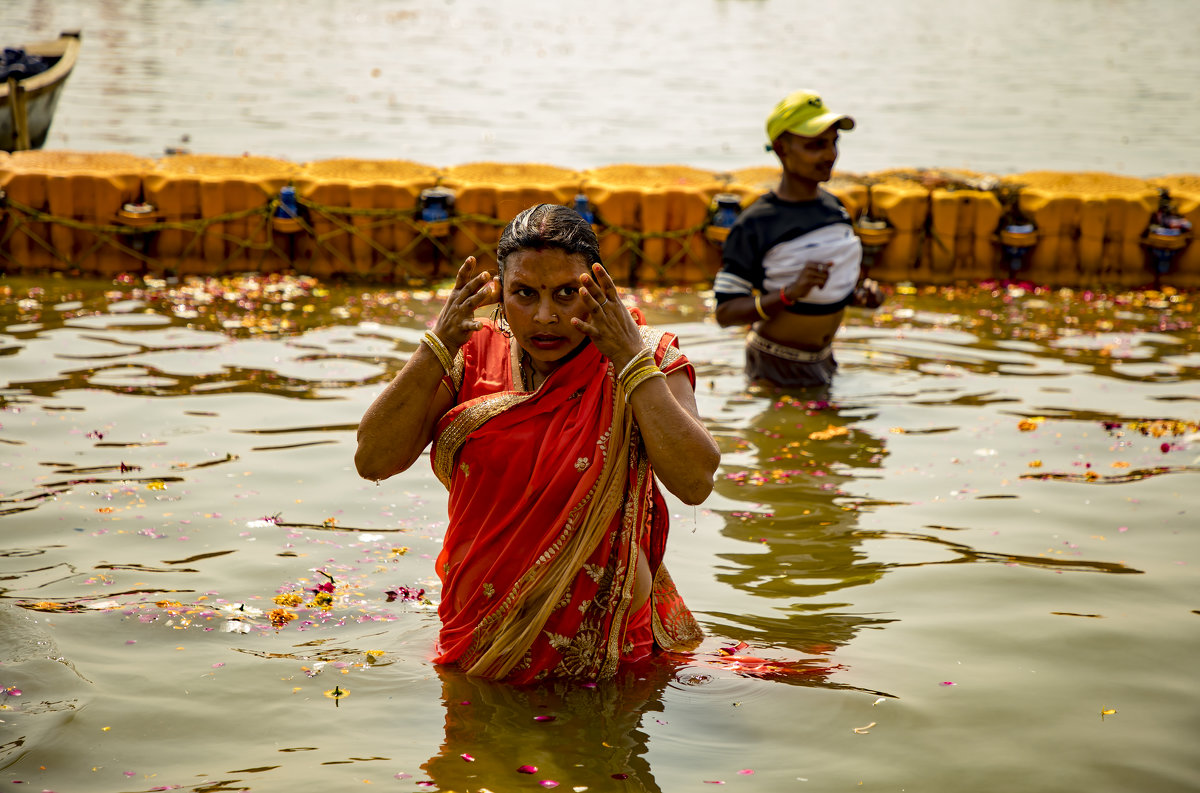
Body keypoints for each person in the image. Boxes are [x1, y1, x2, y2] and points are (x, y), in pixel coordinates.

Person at [355, 203, 719, 684]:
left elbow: (695, 482)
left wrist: (630, 360)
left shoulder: (644, 355)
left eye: (567, 293)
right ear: (500, 297)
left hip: (608, 652)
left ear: (597, 289)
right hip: (479, 641)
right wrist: (435, 345)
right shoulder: (468, 353)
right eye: (525, 294)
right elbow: (373, 459)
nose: (546, 316)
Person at [714, 89, 882, 389]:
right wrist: (788, 294)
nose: (830, 155)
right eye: (815, 145)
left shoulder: (836, 210)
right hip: (773, 366)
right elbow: (725, 313)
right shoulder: (757, 223)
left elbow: (827, 293)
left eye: (834, 143)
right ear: (781, 149)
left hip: (824, 360)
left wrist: (858, 296)